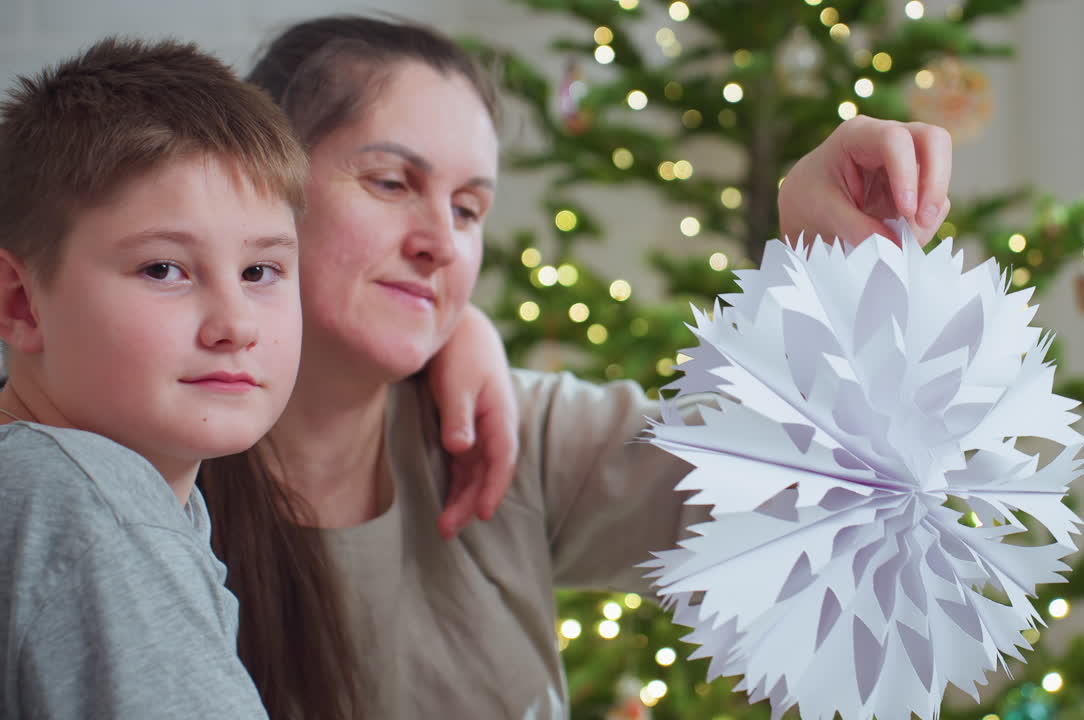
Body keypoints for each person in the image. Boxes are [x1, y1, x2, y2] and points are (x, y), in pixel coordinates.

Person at [198, 15, 955, 720]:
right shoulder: (140, 471)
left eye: (467, 209)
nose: (440, 241)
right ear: (265, 187)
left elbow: (831, 514)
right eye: (392, 183)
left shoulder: (513, 433)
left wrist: (833, 273)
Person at [0, 36, 514, 718]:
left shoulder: (73, 487)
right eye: (164, 269)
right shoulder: (93, 511)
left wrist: (463, 325)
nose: (234, 324)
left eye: (259, 273)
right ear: (20, 302)